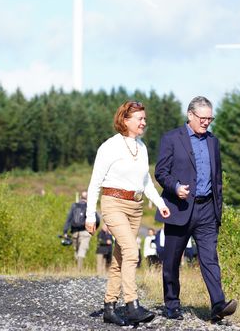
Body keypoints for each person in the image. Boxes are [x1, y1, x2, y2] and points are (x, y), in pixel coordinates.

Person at [84, 100, 171, 326]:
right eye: (140, 118)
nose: (144, 122)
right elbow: (94, 183)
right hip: (113, 204)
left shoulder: (141, 148)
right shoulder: (109, 147)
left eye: (145, 118)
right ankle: (132, 304)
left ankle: (109, 307)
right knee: (132, 252)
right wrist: (90, 214)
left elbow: (146, 182)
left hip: (136, 207)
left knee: (120, 257)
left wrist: (160, 203)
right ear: (125, 120)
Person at [155, 96, 237, 322]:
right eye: (203, 118)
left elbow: (217, 177)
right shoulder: (171, 138)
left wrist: (217, 207)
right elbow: (161, 172)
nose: (206, 122)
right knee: (172, 260)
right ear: (190, 115)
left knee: (210, 258)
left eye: (210, 118)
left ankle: (218, 304)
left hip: (207, 209)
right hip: (179, 207)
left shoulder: (213, 141)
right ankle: (172, 304)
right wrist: (176, 187)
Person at [61, 191, 92, 271]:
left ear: (81, 197)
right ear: (87, 198)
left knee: (76, 250)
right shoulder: (89, 206)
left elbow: (69, 219)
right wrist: (92, 230)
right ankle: (79, 269)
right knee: (82, 250)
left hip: (74, 232)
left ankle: (77, 269)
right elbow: (97, 220)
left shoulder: (74, 206)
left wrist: (65, 231)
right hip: (85, 232)